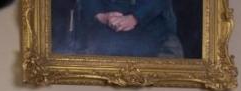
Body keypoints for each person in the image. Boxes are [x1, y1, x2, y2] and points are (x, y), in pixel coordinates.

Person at [54, 0, 184, 58]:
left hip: (147, 20)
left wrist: (136, 17)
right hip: (104, 20)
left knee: (139, 49)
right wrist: (101, 16)